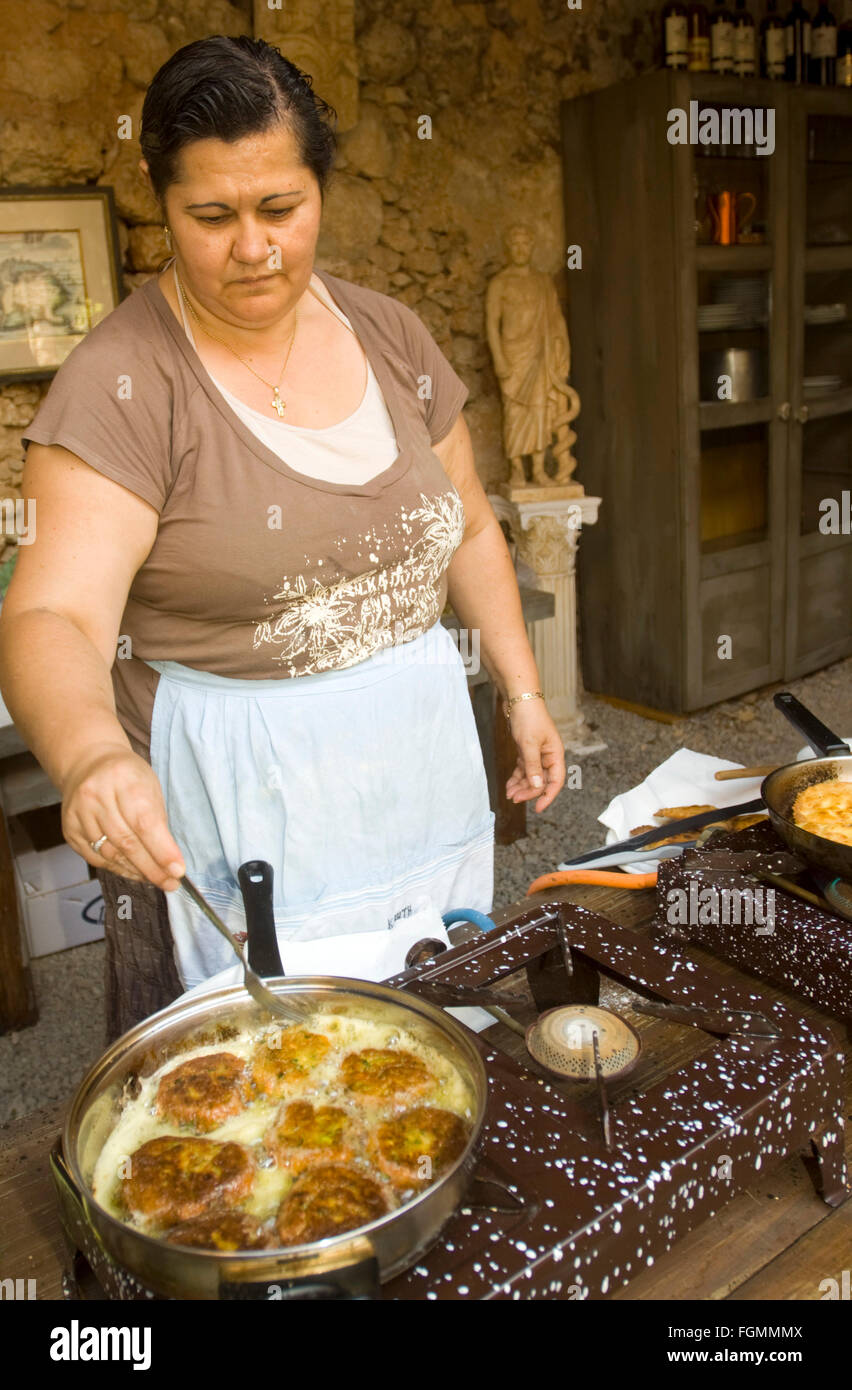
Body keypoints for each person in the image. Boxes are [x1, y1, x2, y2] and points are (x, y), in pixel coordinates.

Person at [0, 35, 566, 1041]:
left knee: (429, 1036)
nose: (252, 249)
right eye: (211, 217)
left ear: (321, 190)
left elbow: (472, 521)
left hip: (413, 764)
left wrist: (522, 689)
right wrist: (90, 757)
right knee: (256, 1089)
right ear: (159, 198)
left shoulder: (391, 335)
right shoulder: (125, 384)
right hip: (235, 798)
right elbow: (49, 610)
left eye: (280, 209)